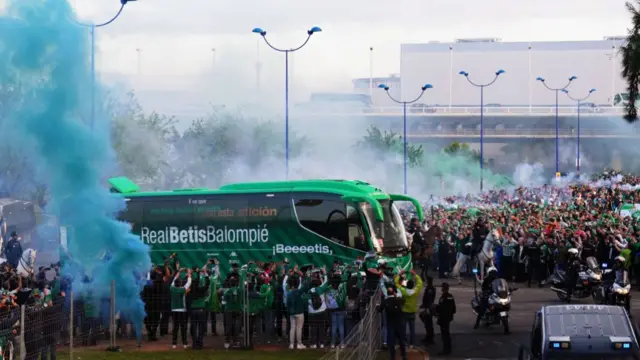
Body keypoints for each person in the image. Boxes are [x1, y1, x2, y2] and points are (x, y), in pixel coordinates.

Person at [395, 269, 423, 348]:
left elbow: (396, 283)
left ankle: (403, 343)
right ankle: (412, 344)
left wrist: (400, 274)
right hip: (412, 312)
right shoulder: (415, 291)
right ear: (413, 286)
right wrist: (415, 275)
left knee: (403, 329)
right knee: (412, 330)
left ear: (406, 285)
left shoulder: (403, 291)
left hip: (404, 312)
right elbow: (420, 283)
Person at [170, 268, 192, 349]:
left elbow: (174, 279)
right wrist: (189, 273)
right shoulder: (182, 289)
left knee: (175, 327)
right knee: (183, 327)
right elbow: (189, 282)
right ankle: (185, 344)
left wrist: (179, 271)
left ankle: (174, 344)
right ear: (180, 284)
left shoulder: (171, 288)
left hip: (174, 310)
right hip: (182, 311)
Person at [383, 286, 407, 360]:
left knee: (392, 343)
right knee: (401, 341)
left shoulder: (385, 301)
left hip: (391, 325)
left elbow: (379, 309)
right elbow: (404, 301)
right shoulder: (398, 300)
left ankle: (393, 357)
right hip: (399, 324)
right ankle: (404, 356)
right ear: (394, 292)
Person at [436, 282, 456, 356]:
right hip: (448, 318)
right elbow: (454, 309)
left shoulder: (443, 297)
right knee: (446, 334)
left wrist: (437, 312)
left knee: (445, 335)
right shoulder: (450, 296)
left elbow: (442, 309)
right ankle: (448, 349)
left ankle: (446, 349)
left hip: (443, 318)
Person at [419, 276, 436, 345]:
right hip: (427, 306)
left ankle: (430, 337)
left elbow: (429, 299)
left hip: (428, 307)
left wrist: (427, 308)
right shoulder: (430, 288)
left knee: (428, 323)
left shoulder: (430, 289)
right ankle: (428, 336)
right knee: (427, 322)